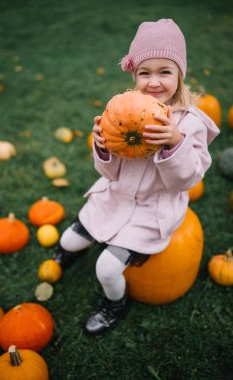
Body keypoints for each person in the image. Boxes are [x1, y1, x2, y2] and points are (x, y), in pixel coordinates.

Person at [53, 18, 220, 335]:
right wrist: (103, 147)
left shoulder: (190, 124)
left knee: (107, 267)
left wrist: (174, 142)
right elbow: (108, 172)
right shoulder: (124, 110)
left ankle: (114, 304)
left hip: (151, 210)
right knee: (68, 239)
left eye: (165, 72)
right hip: (114, 196)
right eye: (145, 72)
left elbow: (187, 179)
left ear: (179, 74)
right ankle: (66, 252)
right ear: (134, 75)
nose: (154, 81)